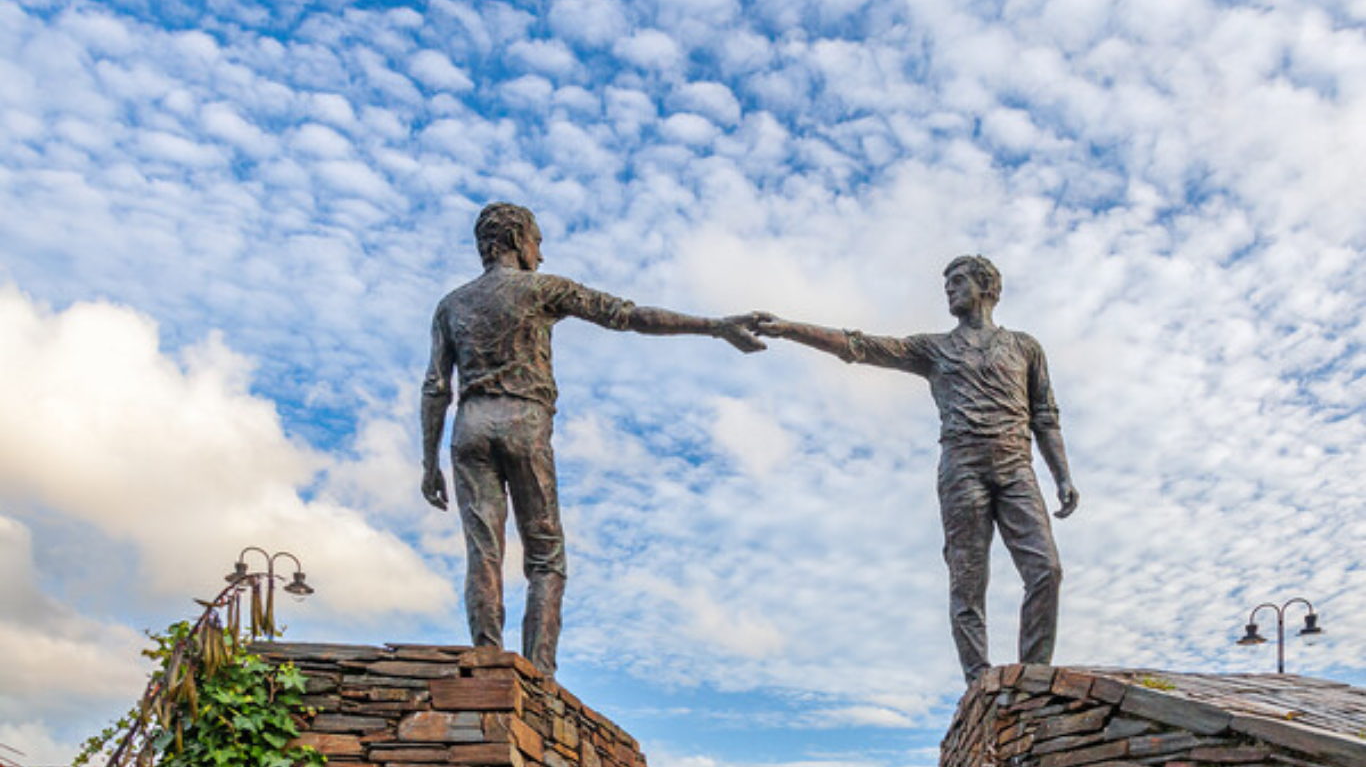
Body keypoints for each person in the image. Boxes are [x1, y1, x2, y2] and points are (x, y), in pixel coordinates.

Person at [421, 202, 764, 675]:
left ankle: (485, 659)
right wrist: (713, 327)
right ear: (518, 240)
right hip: (524, 422)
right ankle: (539, 675)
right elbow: (628, 315)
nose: (540, 254)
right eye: (537, 241)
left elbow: (436, 386)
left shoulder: (451, 305)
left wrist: (427, 461)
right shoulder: (542, 289)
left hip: (470, 427)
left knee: (484, 552)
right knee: (546, 557)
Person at [751, 255, 1078, 683]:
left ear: (986, 287)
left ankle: (1033, 680)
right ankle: (978, 682)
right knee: (967, 580)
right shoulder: (935, 348)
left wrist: (1062, 475)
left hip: (1017, 466)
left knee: (1046, 570)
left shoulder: (1025, 347)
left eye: (958, 281)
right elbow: (862, 347)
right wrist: (790, 328)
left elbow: (1045, 416)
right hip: (962, 468)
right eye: (947, 283)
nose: (949, 289)